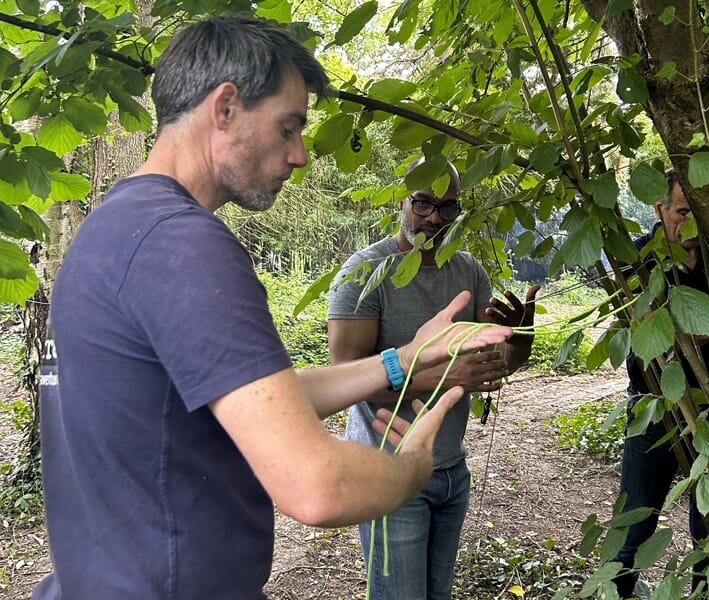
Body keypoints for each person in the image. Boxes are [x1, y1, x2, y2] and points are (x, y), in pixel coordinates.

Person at [33, 17, 517, 600]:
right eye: (289, 128)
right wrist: (410, 469)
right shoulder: (183, 246)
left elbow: (261, 397)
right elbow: (317, 488)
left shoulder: (112, 230)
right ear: (226, 108)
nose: (301, 156)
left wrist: (400, 360)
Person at [327, 157, 539, 600]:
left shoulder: (468, 270)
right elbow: (346, 377)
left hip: (449, 470)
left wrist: (521, 332)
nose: (433, 218)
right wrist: (446, 377)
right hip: (388, 473)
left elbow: (497, 361)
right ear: (402, 201)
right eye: (423, 202)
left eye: (447, 208)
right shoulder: (365, 271)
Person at [612, 170, 709, 598]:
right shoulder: (637, 260)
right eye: (682, 213)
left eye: (700, 215)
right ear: (660, 209)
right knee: (634, 523)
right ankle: (614, 590)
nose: (691, 226)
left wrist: (707, 327)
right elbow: (654, 330)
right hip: (654, 407)